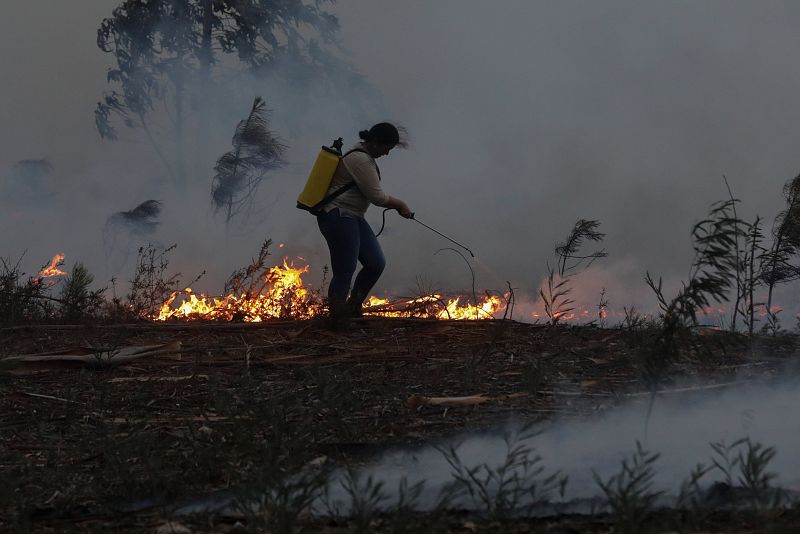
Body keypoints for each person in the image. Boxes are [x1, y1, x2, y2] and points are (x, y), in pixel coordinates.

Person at [317, 122, 413, 327]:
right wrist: (401, 205)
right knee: (345, 269)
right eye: (387, 148)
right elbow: (377, 197)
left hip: (354, 216)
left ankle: (352, 308)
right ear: (376, 142)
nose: (387, 153)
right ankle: (338, 319)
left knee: (376, 263)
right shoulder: (360, 159)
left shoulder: (364, 158)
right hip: (338, 215)